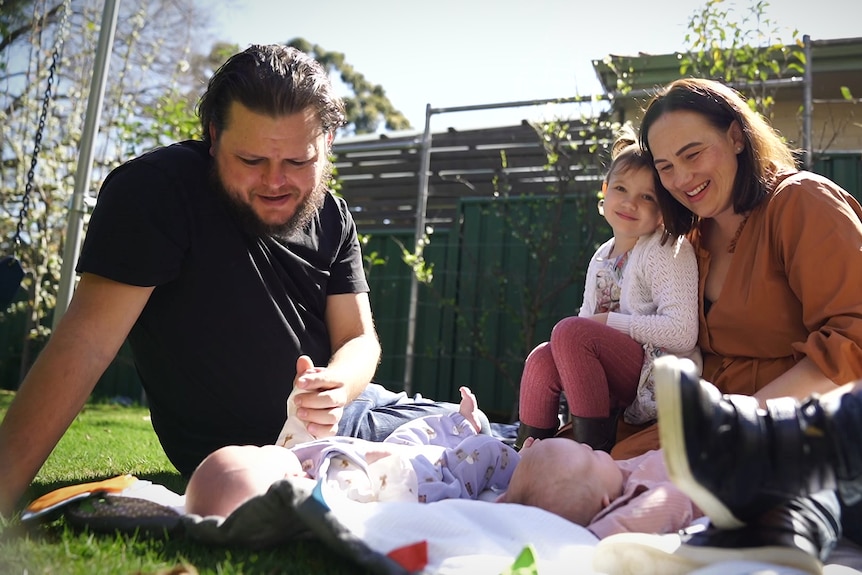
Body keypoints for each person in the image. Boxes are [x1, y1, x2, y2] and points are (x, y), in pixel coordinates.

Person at [0, 44, 462, 518]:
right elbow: (85, 345)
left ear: (327, 144)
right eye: (251, 160)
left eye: (298, 163)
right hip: (244, 461)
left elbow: (358, 338)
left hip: (356, 416)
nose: (275, 182)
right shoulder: (157, 193)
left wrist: (335, 388)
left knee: (492, 445)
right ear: (213, 136)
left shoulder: (334, 216)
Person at [611, 77, 862, 462]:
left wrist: (735, 429)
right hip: (691, 418)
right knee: (567, 475)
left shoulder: (803, 202)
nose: (680, 179)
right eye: (665, 166)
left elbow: (853, 346)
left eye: (693, 154)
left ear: (736, 137)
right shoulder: (685, 235)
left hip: (791, 428)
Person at [515, 125, 700, 451]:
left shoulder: (665, 248)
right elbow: (579, 331)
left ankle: (592, 453)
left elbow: (683, 332)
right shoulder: (603, 254)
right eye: (621, 189)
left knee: (570, 331)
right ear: (604, 189)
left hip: (656, 376)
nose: (630, 203)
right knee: (542, 358)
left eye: (647, 197)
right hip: (614, 377)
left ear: (663, 210)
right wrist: (588, 331)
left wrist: (609, 324)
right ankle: (529, 456)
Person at [592, 354, 862, 575]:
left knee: (811, 475)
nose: (586, 447)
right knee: (816, 483)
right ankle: (788, 528)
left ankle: (773, 466)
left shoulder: (629, 475)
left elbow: (672, 499)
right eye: (588, 455)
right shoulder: (625, 474)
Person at [185, 387, 517, 517]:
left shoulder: (291, 457)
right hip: (428, 480)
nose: (261, 451)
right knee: (480, 454)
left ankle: (463, 423)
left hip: (395, 453)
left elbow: (300, 431)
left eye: (249, 449)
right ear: (289, 484)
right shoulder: (325, 493)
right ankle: (521, 469)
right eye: (256, 457)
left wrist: (306, 393)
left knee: (416, 430)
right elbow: (366, 503)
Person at [498, 435, 702, 539]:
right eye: (592, 455)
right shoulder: (630, 509)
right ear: (607, 503)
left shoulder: (607, 479)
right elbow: (675, 498)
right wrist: (594, 537)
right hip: (717, 467)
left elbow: (515, 505)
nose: (587, 445)